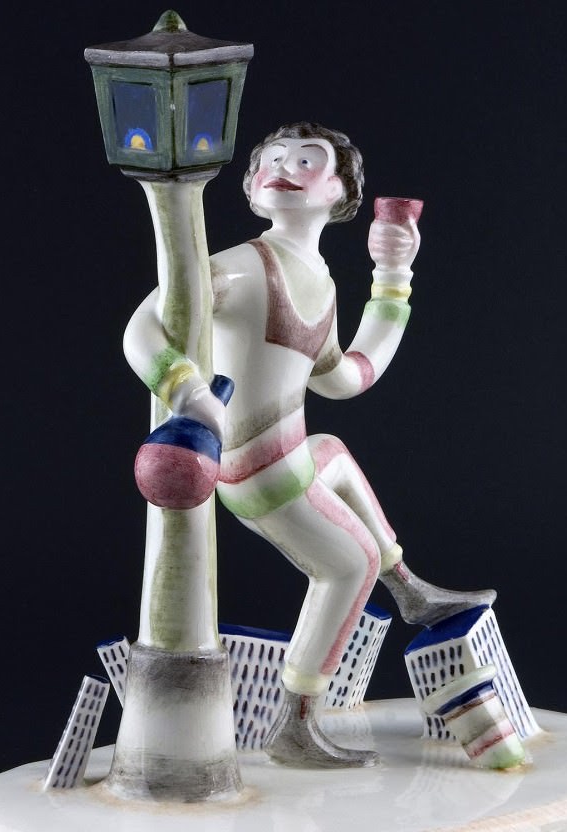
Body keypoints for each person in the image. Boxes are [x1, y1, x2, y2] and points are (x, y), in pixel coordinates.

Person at [123, 123, 495, 768]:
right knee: (349, 565)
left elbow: (344, 377)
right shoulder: (243, 266)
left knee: (334, 451)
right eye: (270, 160)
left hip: (289, 456)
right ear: (252, 188)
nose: (282, 168)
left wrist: (393, 276)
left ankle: (408, 587)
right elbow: (142, 327)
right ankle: (295, 723)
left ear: (341, 193)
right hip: (257, 471)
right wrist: (186, 388)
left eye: (305, 161)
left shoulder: (317, 279)